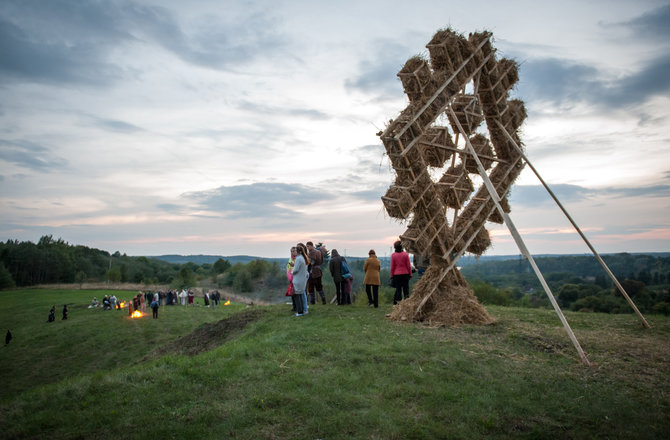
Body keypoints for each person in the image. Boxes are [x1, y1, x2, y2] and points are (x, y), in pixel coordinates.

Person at [391, 240, 412, 304]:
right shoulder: (406, 255)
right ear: (402, 247)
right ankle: (406, 303)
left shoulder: (393, 255)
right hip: (405, 274)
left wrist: (392, 276)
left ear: (395, 247)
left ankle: (399, 304)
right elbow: (409, 266)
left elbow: (392, 267)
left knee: (398, 290)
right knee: (406, 290)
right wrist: (410, 274)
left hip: (396, 275)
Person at [292, 243, 310, 316]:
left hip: (298, 279)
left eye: (295, 250)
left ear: (299, 251)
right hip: (302, 279)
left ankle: (300, 312)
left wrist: (291, 272)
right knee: (300, 295)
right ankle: (302, 310)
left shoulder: (298, 259)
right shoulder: (303, 257)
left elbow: (296, 270)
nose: (294, 252)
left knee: (298, 296)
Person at [286, 246, 297, 311]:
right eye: (291, 251)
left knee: (296, 293)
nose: (292, 252)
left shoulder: (298, 259)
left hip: (296, 277)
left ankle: (297, 306)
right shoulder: (290, 259)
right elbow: (288, 268)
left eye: (294, 251)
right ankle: (294, 306)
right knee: (292, 293)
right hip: (291, 278)